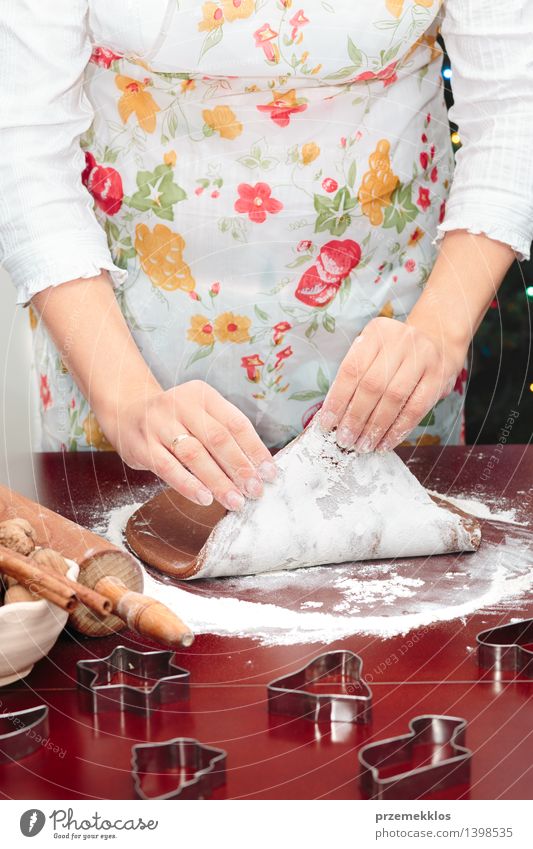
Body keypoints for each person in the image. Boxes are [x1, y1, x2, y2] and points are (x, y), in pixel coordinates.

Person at [1, 0, 532, 514]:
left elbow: (513, 110)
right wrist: (125, 399)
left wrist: (440, 331)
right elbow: (21, 146)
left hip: (392, 322)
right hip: (118, 336)